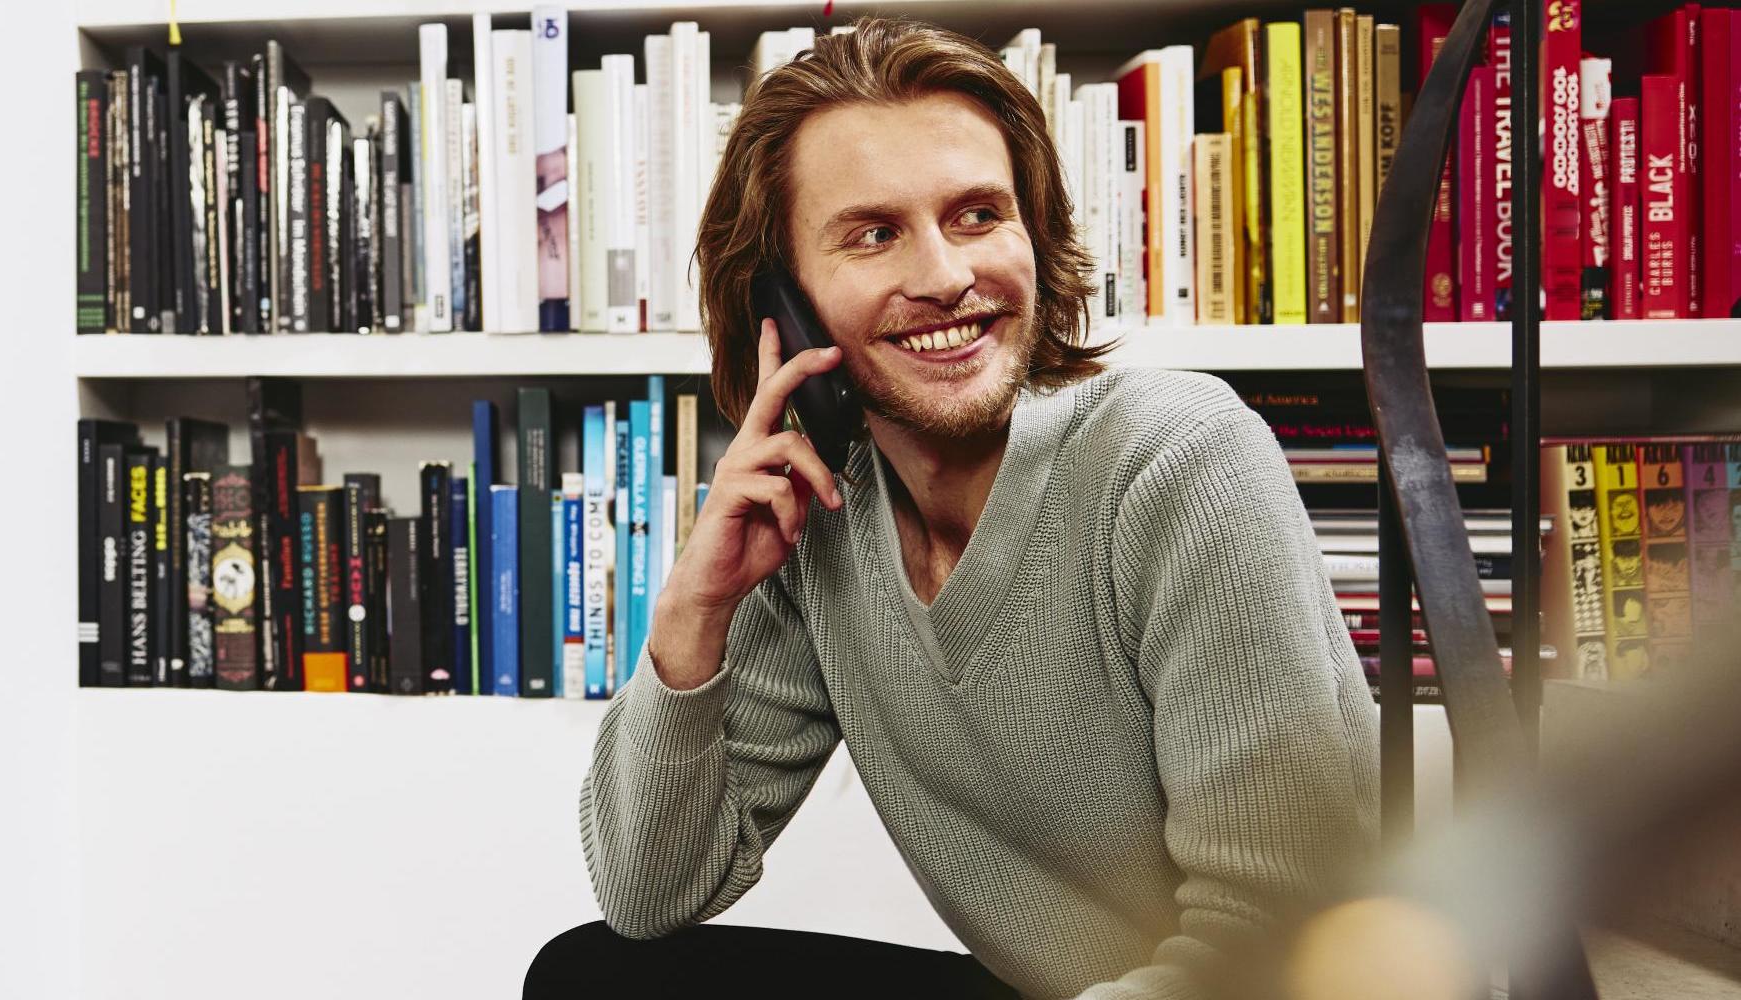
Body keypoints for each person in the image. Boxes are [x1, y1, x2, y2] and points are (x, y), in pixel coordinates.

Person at [527, 18, 1379, 1000]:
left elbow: (1275, 951)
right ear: (784, 304)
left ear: (1035, 235)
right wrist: (693, 608)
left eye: (978, 215)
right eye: (875, 233)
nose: (943, 277)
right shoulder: (823, 518)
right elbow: (648, 892)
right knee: (591, 976)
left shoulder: (1178, 457)